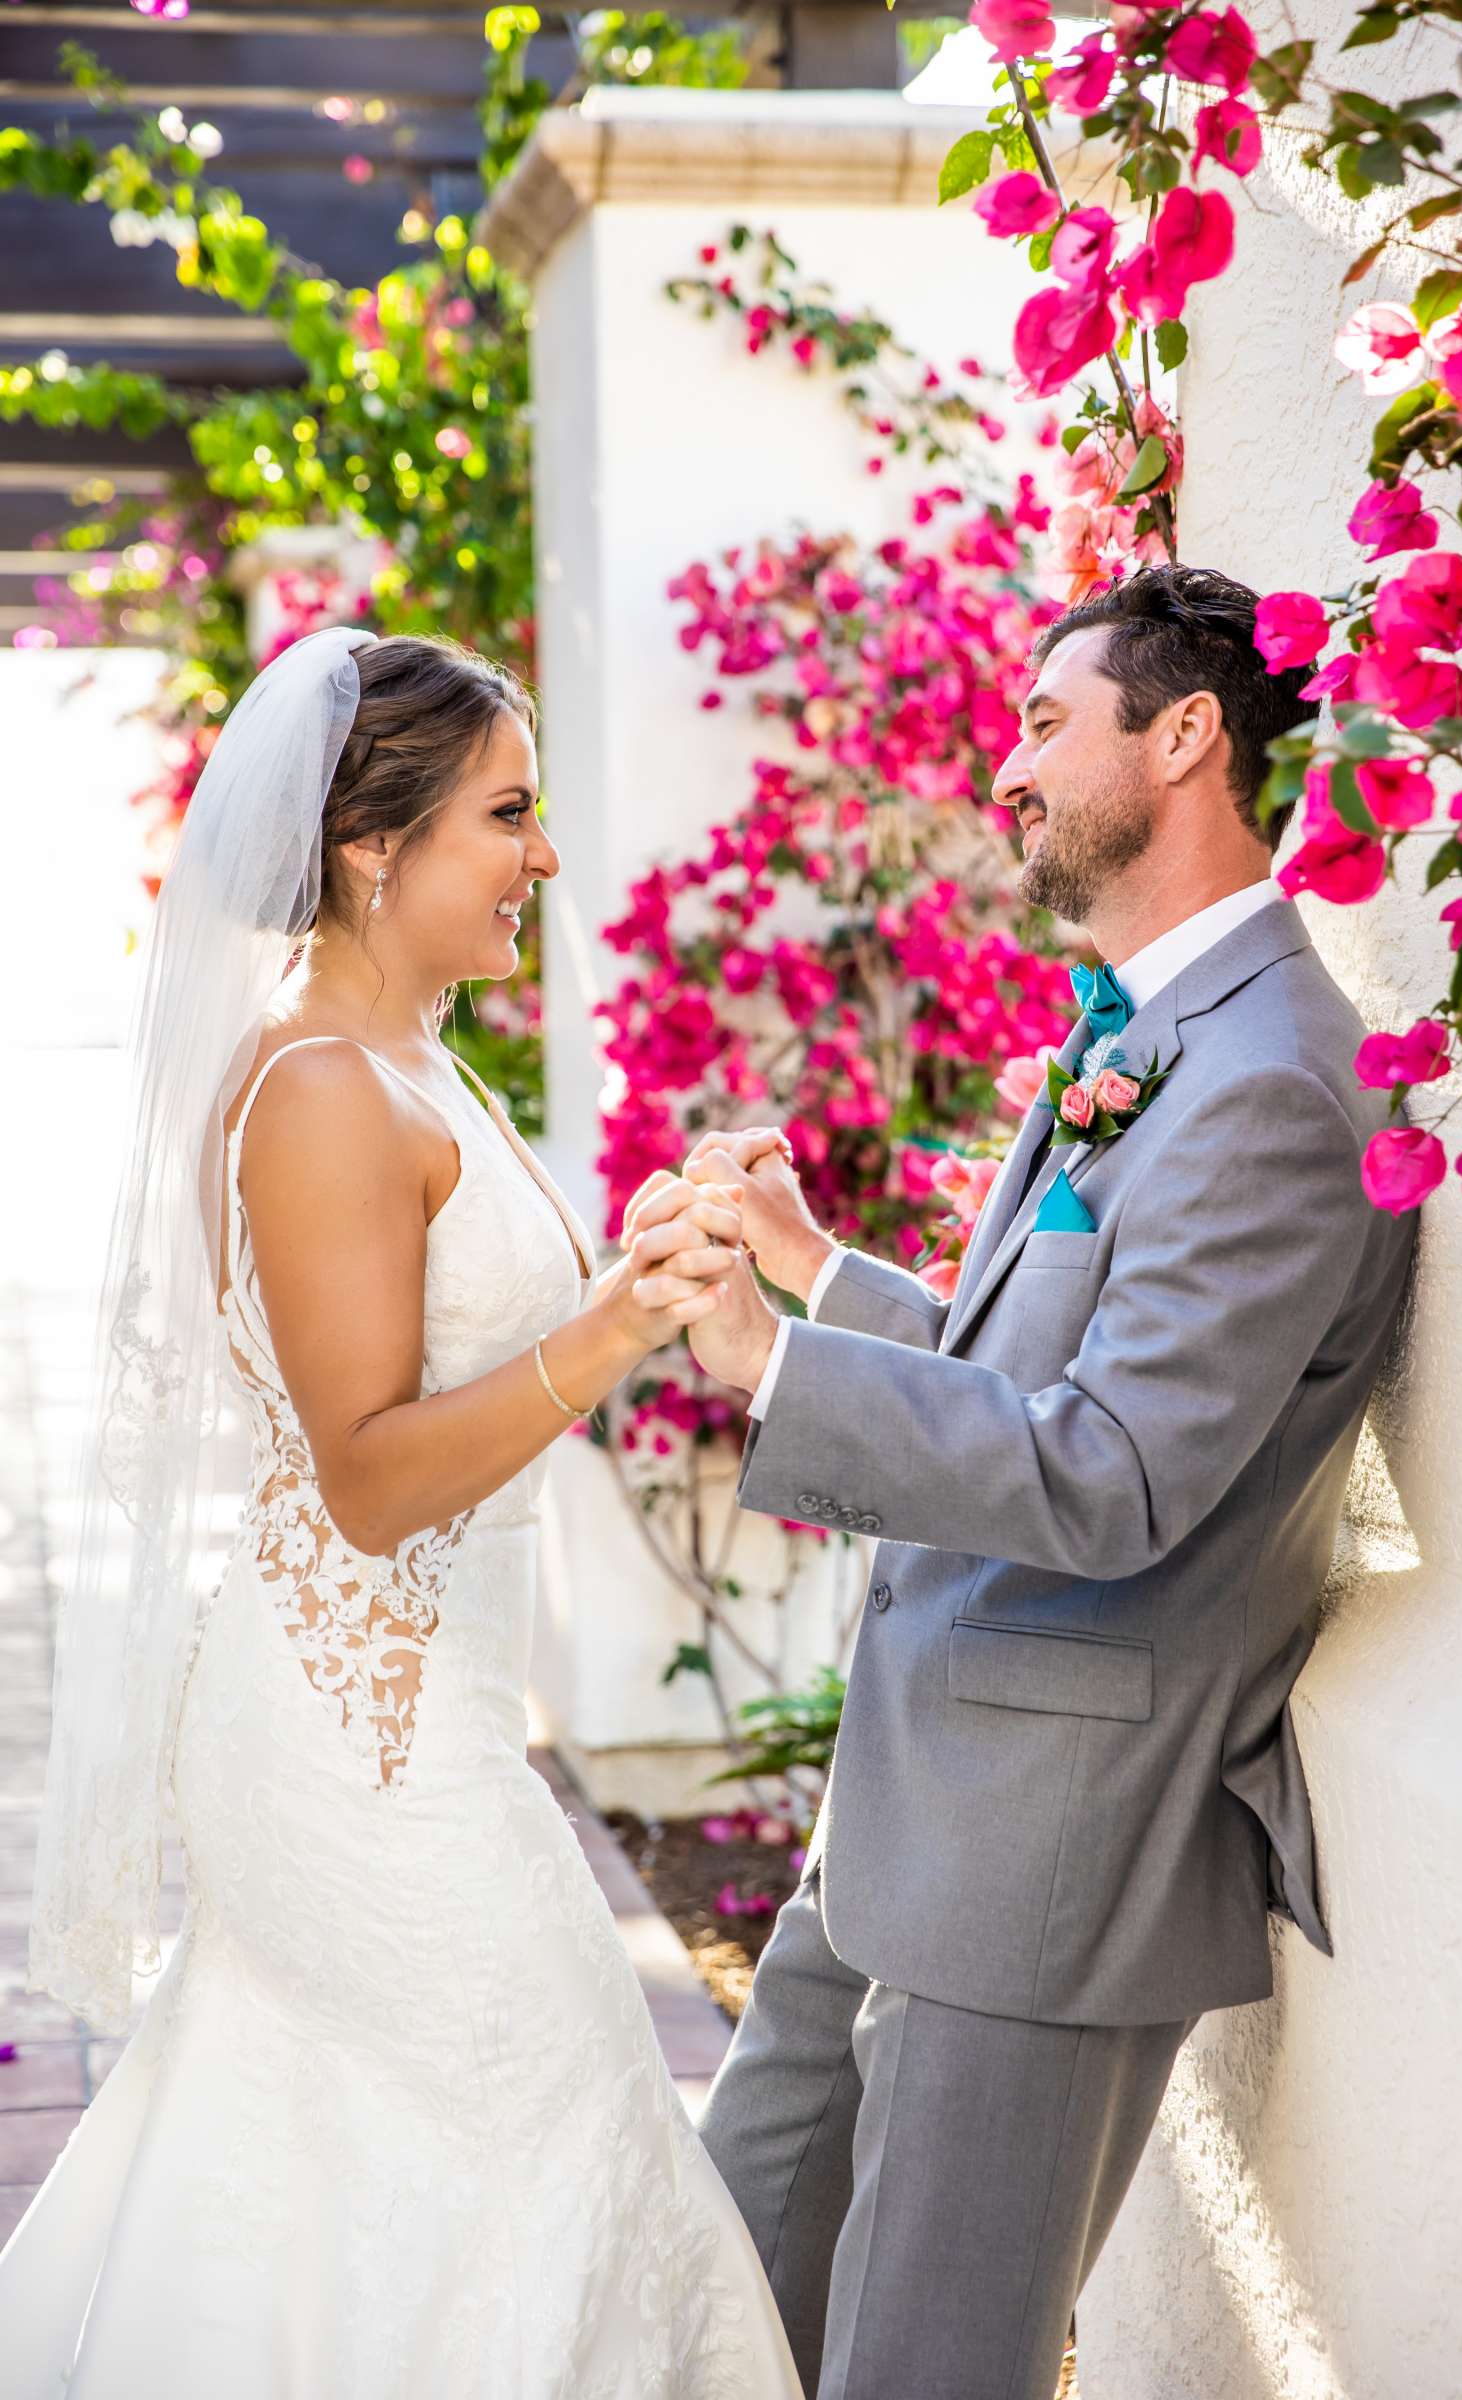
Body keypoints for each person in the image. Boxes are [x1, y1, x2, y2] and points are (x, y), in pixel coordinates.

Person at [2, 627, 803, 2400]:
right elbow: (365, 1476)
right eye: (507, 816)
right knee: (535, 2119)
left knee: (366, 2147)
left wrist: (669, 1243)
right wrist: (614, 1322)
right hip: (354, 1738)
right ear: (377, 845)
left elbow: (467, 1347)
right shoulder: (315, 1095)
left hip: (422, 1718)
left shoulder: (416, 1065)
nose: (546, 857)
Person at [681, 564, 1419, 2400]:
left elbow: (1116, 1472)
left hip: (1052, 1850)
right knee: (723, 2282)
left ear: (1185, 739)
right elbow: (1047, 1371)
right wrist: (818, 1275)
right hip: (913, 1799)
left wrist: (778, 1377)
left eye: (1040, 720)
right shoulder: (1134, 1030)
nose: (1004, 767)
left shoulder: (1270, 1076)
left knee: (922, 2365)